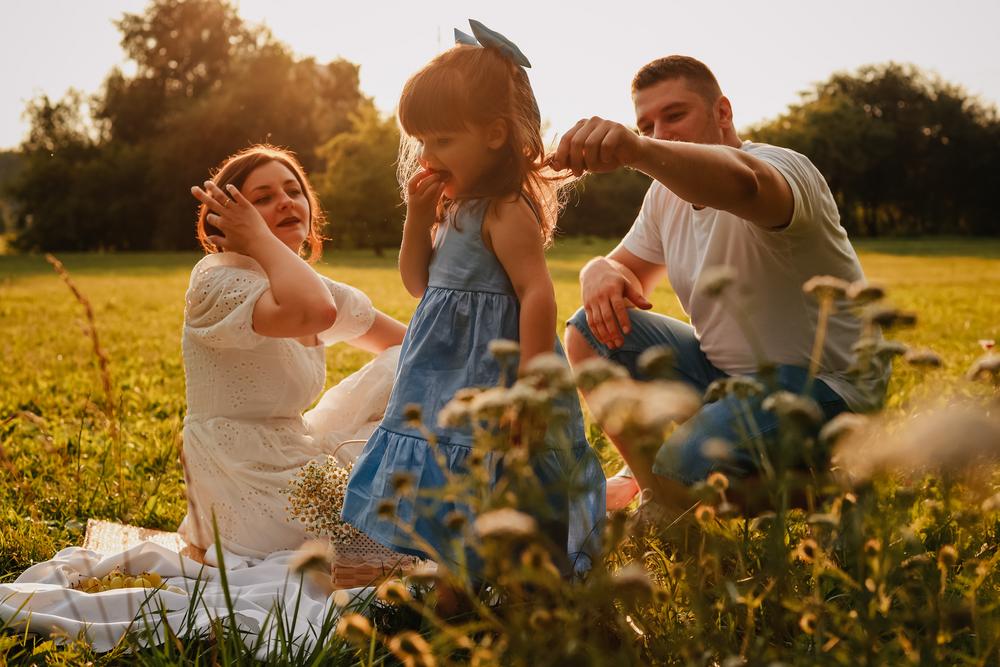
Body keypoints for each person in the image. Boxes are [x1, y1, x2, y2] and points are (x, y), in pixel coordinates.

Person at [552, 56, 889, 515]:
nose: (660, 134)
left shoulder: (782, 167)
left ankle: (826, 490)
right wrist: (598, 268)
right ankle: (661, 498)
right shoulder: (664, 196)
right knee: (587, 332)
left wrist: (637, 150)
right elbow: (625, 269)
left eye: (675, 115)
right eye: (646, 126)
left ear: (723, 113)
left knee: (683, 466)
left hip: (827, 387)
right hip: (726, 379)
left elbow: (746, 186)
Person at [341, 22, 606, 576]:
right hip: (439, 372)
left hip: (494, 371)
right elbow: (418, 283)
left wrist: (530, 387)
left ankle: (522, 582)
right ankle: (452, 581)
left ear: (493, 135)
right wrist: (416, 218)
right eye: (422, 142)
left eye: (443, 140)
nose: (428, 156)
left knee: (501, 467)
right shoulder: (447, 208)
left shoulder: (505, 211)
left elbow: (537, 294)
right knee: (445, 466)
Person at [183, 144, 407, 558]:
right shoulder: (217, 286)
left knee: (406, 367)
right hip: (243, 477)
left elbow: (410, 346)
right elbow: (314, 311)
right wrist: (258, 239)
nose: (286, 201)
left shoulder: (305, 285)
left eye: (294, 191)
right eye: (263, 199)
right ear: (232, 220)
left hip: (293, 450)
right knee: (393, 528)